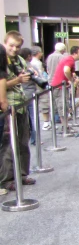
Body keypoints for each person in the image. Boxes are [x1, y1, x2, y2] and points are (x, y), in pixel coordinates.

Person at [0, 33, 34, 191]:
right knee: (8, 144)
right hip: (8, 107)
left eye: (17, 46)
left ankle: (21, 174)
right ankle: (6, 179)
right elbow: (2, 84)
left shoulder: (19, 60)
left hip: (21, 104)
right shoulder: (2, 60)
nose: (14, 49)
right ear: (5, 43)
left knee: (22, 142)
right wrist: (18, 80)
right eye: (11, 45)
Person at [51, 46, 79, 118]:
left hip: (59, 85)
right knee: (63, 106)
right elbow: (66, 70)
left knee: (63, 106)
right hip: (59, 86)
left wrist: (73, 78)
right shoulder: (70, 60)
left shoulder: (69, 59)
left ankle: (65, 124)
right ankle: (65, 126)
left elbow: (69, 71)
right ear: (74, 53)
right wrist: (71, 80)